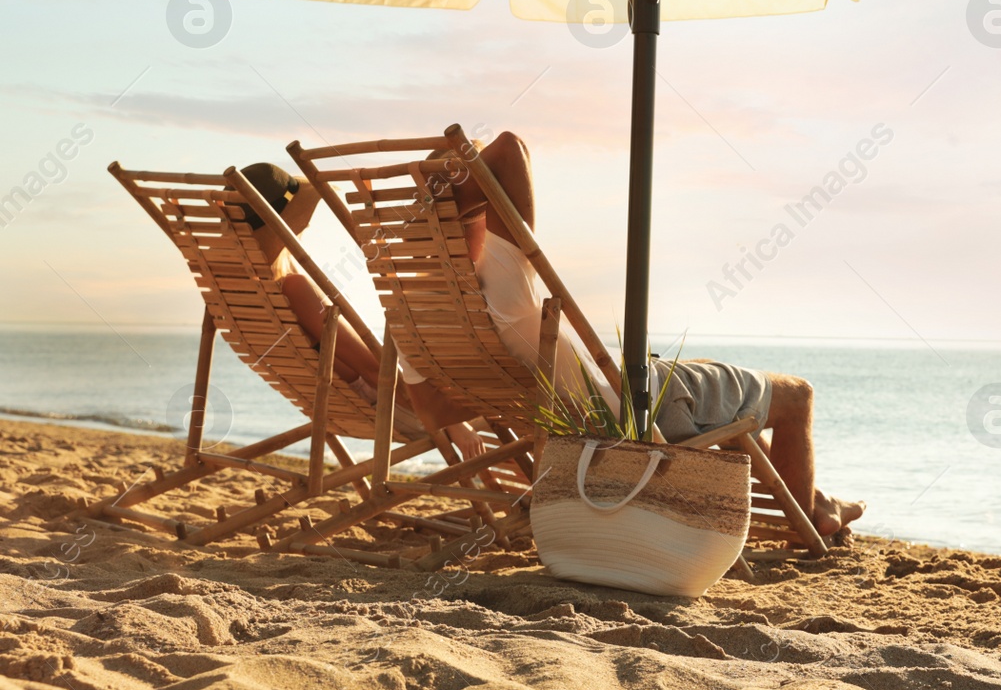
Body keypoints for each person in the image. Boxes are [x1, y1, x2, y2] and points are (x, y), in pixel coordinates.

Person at [432, 132, 865, 537]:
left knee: (707, 380)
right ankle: (806, 524)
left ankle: (819, 501)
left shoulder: (429, 311)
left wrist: (437, 211)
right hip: (638, 412)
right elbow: (509, 148)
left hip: (583, 419)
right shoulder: (503, 284)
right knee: (797, 395)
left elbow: (433, 414)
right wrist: (462, 193)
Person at [236, 163, 483, 458]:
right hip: (393, 408)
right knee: (508, 413)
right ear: (284, 223)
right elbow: (376, 370)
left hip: (348, 408)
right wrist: (454, 424)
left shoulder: (250, 290)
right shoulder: (294, 287)